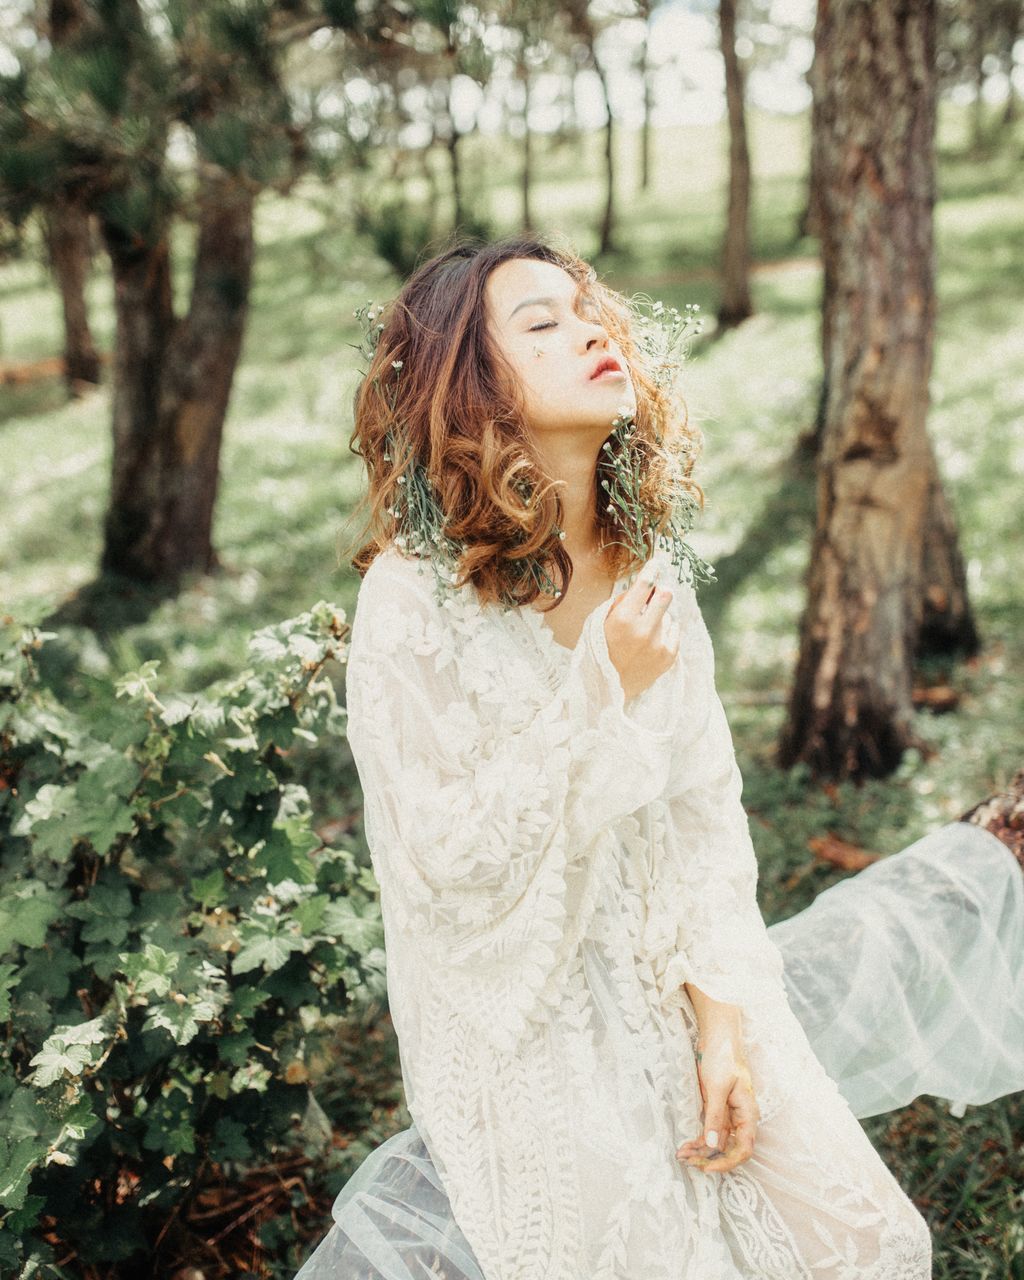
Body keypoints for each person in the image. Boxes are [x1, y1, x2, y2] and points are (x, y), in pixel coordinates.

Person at [294, 235, 1020, 1279]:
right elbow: (439, 857)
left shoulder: (649, 576)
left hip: (683, 984)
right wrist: (599, 690)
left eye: (590, 310)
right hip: (529, 1034)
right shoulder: (412, 597)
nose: (591, 328)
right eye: (541, 322)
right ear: (472, 387)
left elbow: (703, 820)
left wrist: (724, 1023)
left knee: (866, 1242)